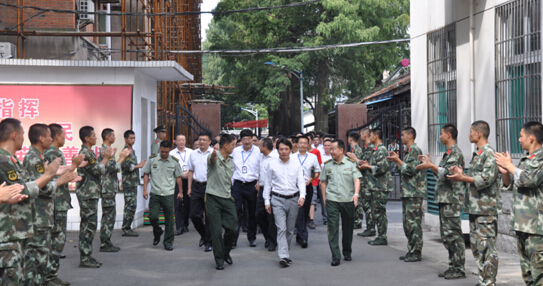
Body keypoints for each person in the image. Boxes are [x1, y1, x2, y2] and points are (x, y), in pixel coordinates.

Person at [0, 118, 63, 285]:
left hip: (16, 230)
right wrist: (49, 176)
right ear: (14, 136)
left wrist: (51, 175)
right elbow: (22, 190)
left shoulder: (12, 160)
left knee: (22, 275)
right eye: (21, 134)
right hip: (7, 233)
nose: (23, 137)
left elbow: (27, 184)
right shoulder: (3, 161)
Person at [23, 124, 79, 286]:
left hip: (43, 213)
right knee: (37, 257)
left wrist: (64, 172)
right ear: (41, 138)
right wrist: (61, 179)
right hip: (39, 214)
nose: (51, 138)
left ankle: (47, 279)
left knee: (42, 254)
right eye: (48, 136)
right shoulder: (34, 159)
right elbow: (39, 187)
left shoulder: (39, 157)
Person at [447, 121, 500, 285]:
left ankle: (489, 282)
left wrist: (463, 178)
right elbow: (475, 178)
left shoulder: (489, 153)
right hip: (476, 208)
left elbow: (485, 179)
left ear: (479, 134)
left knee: (487, 249)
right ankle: (483, 280)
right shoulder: (478, 154)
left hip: (485, 211)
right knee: (478, 249)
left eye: (471, 132)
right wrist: (462, 174)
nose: (469, 134)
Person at [495, 121, 543, 286]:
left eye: (521, 136)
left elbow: (530, 180)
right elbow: (512, 185)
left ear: (531, 138)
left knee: (539, 273)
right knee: (527, 272)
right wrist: (506, 172)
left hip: (536, 227)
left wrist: (509, 166)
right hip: (522, 224)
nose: (518, 140)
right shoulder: (525, 159)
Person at [416, 124, 466, 279]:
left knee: (454, 234)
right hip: (445, 199)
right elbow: (441, 173)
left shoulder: (455, 153)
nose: (440, 136)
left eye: (442, 134)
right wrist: (431, 165)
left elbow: (448, 174)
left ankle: (459, 268)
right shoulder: (448, 153)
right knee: (447, 235)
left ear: (449, 135)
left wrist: (431, 165)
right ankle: (453, 266)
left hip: (451, 200)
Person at [43, 124, 86, 286]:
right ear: (55, 137)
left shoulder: (54, 152)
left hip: (59, 201)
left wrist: (73, 168)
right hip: (56, 202)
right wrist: (74, 166)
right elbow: (51, 179)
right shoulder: (53, 153)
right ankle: (49, 276)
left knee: (57, 240)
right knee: (57, 240)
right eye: (63, 135)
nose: (65, 138)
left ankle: (51, 276)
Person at [76, 126, 115, 268]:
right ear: (86, 138)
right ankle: (85, 257)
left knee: (89, 226)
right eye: (93, 135)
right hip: (87, 195)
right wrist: (106, 158)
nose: (96, 137)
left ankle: (87, 256)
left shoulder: (89, 152)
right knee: (88, 227)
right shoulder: (86, 153)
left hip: (90, 194)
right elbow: (98, 170)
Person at [263, 138, 305, 267]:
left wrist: (302, 196)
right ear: (277, 150)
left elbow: (301, 181)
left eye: (286, 149)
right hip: (277, 199)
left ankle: (285, 252)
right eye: (281, 149)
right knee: (281, 228)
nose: (284, 152)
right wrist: (267, 201)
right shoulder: (272, 164)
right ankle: (283, 256)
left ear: (290, 150)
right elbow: (268, 184)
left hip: (293, 198)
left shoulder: (296, 163)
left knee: (290, 229)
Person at [387, 127, 425, 263]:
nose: (401, 137)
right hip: (408, 192)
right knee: (408, 224)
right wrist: (397, 160)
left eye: (403, 135)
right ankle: (411, 249)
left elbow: (410, 170)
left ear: (410, 136)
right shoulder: (408, 152)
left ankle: (416, 251)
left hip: (414, 193)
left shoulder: (415, 150)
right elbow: (404, 169)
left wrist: (398, 160)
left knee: (414, 224)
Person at [320, 139, 361, 266]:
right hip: (332, 199)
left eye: (333, 149)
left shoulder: (351, 164)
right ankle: (335, 256)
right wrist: (325, 198)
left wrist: (356, 194)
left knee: (348, 228)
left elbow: (356, 180)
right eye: (329, 149)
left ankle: (347, 251)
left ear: (341, 150)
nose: (330, 151)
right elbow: (323, 182)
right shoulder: (327, 165)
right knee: (332, 227)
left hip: (347, 199)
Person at [142, 140, 183, 251]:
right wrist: (145, 189)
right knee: (153, 217)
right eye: (162, 151)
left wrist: (180, 192)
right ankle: (157, 231)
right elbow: (146, 174)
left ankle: (168, 242)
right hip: (155, 193)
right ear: (159, 149)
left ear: (170, 150)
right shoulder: (152, 160)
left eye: (166, 152)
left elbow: (178, 177)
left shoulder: (174, 162)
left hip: (168, 194)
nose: (164, 154)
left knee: (169, 219)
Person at [205, 134, 238, 270]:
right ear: (226, 145)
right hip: (212, 197)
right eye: (233, 145)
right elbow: (212, 159)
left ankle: (225, 252)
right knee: (217, 231)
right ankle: (219, 260)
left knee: (233, 228)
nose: (234, 147)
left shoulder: (230, 160)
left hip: (227, 197)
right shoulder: (213, 156)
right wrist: (213, 154)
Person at [98, 128, 129, 253]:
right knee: (109, 216)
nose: (115, 138)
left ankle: (106, 241)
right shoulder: (105, 150)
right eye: (113, 135)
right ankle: (105, 243)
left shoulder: (108, 150)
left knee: (110, 215)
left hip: (109, 187)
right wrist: (121, 158)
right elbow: (112, 168)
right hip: (108, 188)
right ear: (107, 137)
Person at [359, 128, 391, 246]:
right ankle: (380, 235)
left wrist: (368, 167)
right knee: (377, 211)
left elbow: (381, 168)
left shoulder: (381, 150)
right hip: (376, 185)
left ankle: (382, 236)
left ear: (376, 136)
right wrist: (367, 165)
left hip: (380, 186)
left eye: (371, 135)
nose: (370, 137)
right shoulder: (376, 150)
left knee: (380, 212)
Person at [231, 129, 261, 247]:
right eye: (244, 139)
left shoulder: (257, 151)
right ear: (241, 140)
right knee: (236, 212)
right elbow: (232, 167)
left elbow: (260, 167)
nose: (247, 141)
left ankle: (252, 237)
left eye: (249, 139)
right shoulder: (235, 151)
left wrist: (260, 182)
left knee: (252, 212)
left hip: (252, 184)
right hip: (238, 184)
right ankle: (233, 239)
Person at [187, 132, 213, 252]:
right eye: (200, 139)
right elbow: (190, 171)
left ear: (209, 142)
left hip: (209, 187)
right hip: (196, 186)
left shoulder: (214, 153)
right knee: (194, 214)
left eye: (204, 139)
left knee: (208, 216)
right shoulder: (193, 154)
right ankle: (204, 234)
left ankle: (209, 242)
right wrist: (189, 187)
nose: (201, 141)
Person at [294, 135, 320, 248]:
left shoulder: (313, 157)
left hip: (308, 185)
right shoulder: (292, 157)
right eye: (301, 143)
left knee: (304, 211)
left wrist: (311, 179)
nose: (303, 145)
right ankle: (304, 237)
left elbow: (318, 172)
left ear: (308, 144)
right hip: (295, 187)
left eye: (305, 143)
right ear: (297, 144)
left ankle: (299, 235)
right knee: (299, 211)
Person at [121, 130, 146, 237]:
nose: (133, 140)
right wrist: (139, 166)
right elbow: (127, 166)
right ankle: (126, 228)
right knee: (130, 206)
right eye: (131, 138)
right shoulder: (126, 151)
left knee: (132, 205)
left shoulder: (131, 150)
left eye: (134, 138)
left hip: (132, 182)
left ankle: (127, 227)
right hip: (129, 183)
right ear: (125, 139)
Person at [256, 138, 278, 251]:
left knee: (271, 217)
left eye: (259, 145)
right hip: (262, 189)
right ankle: (267, 238)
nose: (258, 148)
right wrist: (259, 183)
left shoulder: (276, 157)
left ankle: (272, 241)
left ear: (265, 147)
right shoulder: (262, 157)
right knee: (259, 214)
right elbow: (261, 172)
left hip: (273, 189)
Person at [170, 134, 192, 236]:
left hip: (189, 179)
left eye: (183, 140)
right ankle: (179, 226)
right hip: (177, 180)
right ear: (175, 141)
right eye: (179, 140)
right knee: (178, 203)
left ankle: (185, 224)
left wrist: (188, 173)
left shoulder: (191, 152)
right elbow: (170, 167)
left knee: (187, 203)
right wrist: (179, 174)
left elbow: (193, 165)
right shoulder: (172, 153)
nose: (181, 142)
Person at [357, 128, 376, 237]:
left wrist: (355, 158)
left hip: (368, 181)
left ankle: (371, 227)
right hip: (366, 181)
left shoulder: (370, 148)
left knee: (368, 205)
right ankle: (370, 227)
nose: (360, 136)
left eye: (361, 134)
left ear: (365, 134)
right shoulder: (367, 148)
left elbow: (364, 164)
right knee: (366, 205)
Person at [346, 131, 364, 230]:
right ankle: (355, 220)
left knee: (358, 201)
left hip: (357, 178)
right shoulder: (353, 150)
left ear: (350, 139)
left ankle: (358, 221)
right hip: (352, 178)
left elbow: (359, 165)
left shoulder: (357, 150)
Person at [307, 134, 322, 230]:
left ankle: (311, 219)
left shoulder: (316, 152)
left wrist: (316, 178)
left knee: (312, 201)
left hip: (313, 181)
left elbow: (319, 167)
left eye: (307, 141)